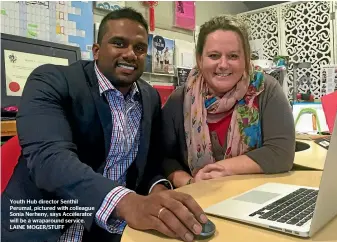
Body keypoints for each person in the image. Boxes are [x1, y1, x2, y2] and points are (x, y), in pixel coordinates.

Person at [1, 8, 207, 242]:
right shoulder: (50, 81)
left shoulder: (148, 97)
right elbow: (49, 159)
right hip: (43, 227)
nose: (131, 54)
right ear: (96, 51)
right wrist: (126, 202)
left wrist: (158, 194)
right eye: (119, 43)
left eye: (139, 48)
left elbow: (149, 164)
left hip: (112, 228)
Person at [161, 15, 295, 188]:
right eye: (214, 55)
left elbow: (281, 153)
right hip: (199, 199)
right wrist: (190, 183)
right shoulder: (180, 100)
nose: (223, 65)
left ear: (246, 59)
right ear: (199, 59)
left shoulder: (266, 89)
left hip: (256, 197)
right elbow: (164, 158)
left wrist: (221, 170)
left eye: (233, 56)